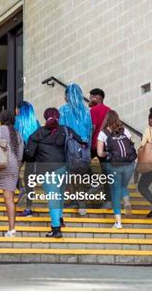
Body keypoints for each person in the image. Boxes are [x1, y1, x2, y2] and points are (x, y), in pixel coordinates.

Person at [25, 108, 82, 238]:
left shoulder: (38, 133)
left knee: (53, 198)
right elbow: (79, 141)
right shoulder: (66, 130)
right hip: (64, 168)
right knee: (60, 195)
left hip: (47, 170)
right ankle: (60, 218)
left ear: (45, 118)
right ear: (58, 117)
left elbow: (30, 154)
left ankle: (56, 228)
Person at [97, 110, 136, 229]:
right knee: (123, 185)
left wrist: (107, 154)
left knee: (115, 191)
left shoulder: (103, 133)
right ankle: (127, 201)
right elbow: (131, 145)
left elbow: (99, 153)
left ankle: (118, 222)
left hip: (114, 165)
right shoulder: (125, 130)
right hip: (129, 164)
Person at [59, 83, 92, 215]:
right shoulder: (86, 111)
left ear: (68, 95)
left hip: (69, 145)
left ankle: (73, 200)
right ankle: (82, 203)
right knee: (80, 175)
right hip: (83, 147)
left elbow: (62, 128)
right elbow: (90, 130)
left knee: (68, 174)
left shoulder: (63, 110)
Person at [14, 101, 40, 217]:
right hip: (33, 153)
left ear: (20, 110)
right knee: (29, 180)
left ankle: (21, 189)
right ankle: (29, 208)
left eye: (16, 108)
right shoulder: (36, 122)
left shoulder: (16, 121)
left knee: (12, 172)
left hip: (19, 151)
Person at [89, 88, 112, 209]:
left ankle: (94, 182)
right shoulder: (109, 111)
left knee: (81, 163)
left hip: (94, 144)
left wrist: (87, 140)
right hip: (105, 145)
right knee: (107, 173)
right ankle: (108, 201)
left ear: (98, 98)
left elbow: (92, 127)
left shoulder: (93, 110)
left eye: (92, 96)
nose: (90, 99)